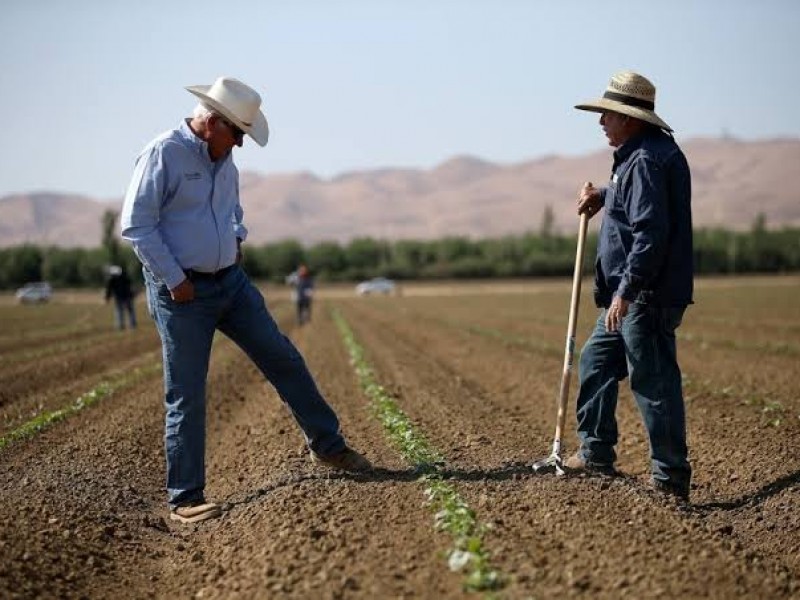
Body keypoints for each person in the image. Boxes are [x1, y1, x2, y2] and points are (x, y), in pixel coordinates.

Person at [121, 76, 371, 524]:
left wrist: (236, 240)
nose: (239, 144)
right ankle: (185, 498)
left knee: (284, 358)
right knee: (187, 391)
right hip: (183, 293)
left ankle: (328, 447)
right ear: (213, 122)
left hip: (231, 284)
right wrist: (176, 279)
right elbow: (138, 226)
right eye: (237, 133)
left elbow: (234, 215)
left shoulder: (225, 163)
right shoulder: (165, 154)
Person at [564, 71, 694, 502]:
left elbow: (650, 233)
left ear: (631, 119)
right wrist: (604, 194)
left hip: (643, 296)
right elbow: (634, 204)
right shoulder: (636, 158)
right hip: (630, 295)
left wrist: (626, 291)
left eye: (608, 115)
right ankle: (596, 453)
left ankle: (669, 477)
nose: (601, 121)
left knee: (653, 383)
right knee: (596, 362)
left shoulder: (647, 161)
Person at [104, 265, 137, 330]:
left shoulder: (112, 279)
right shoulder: (124, 277)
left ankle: (122, 326)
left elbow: (109, 290)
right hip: (125, 297)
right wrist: (107, 297)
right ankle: (129, 325)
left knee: (121, 311)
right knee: (127, 311)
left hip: (123, 297)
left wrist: (107, 298)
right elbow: (109, 290)